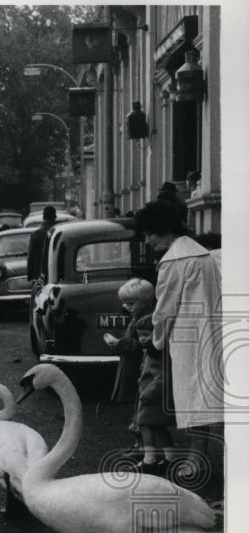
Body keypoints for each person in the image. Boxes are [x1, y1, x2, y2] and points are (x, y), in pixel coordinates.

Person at [137, 198, 222, 480]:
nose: (148, 240)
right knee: (202, 398)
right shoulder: (201, 254)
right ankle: (198, 457)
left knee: (193, 401)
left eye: (150, 233)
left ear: (163, 229)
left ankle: (197, 462)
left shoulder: (173, 261)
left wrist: (155, 341)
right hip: (209, 331)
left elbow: (164, 310)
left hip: (187, 338)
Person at [104, 278, 176, 472]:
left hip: (143, 371)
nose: (126, 307)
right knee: (140, 413)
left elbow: (141, 347)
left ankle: (144, 449)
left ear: (145, 301)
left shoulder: (147, 322)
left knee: (143, 415)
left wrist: (119, 344)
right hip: (139, 369)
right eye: (125, 303)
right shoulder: (140, 318)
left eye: (131, 303)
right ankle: (141, 446)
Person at [26, 205, 57, 281]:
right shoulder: (59, 232)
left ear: (43, 217)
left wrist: (30, 276)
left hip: (40, 276)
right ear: (55, 217)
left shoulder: (36, 234)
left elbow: (31, 257)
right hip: (57, 275)